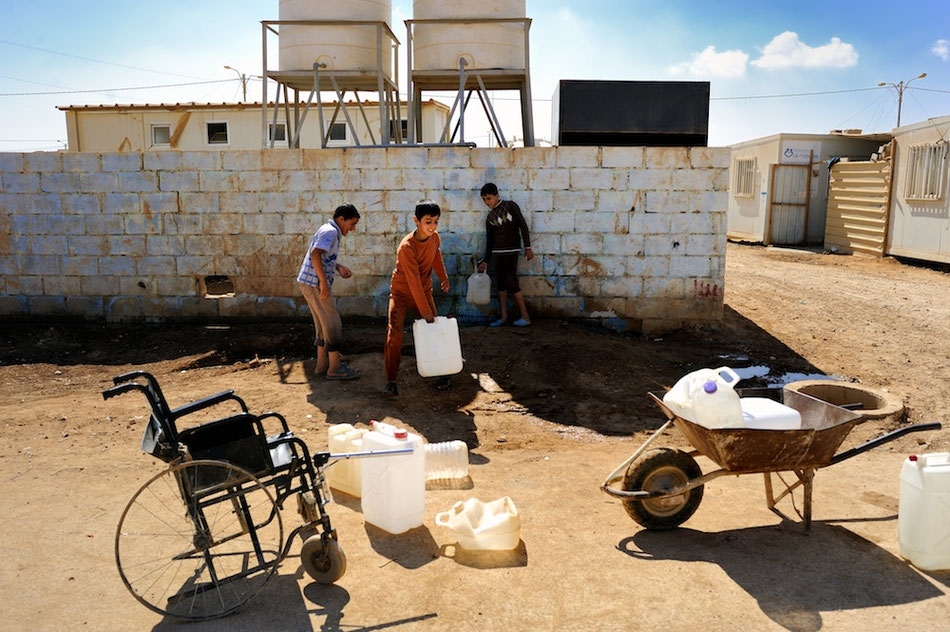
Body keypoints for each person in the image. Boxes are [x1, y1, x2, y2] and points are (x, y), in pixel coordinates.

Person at [382, 200, 451, 396]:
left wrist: (443, 277)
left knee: (434, 330)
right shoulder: (406, 247)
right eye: (428, 222)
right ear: (416, 221)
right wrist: (426, 314)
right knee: (394, 333)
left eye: (436, 221)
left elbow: (436, 255)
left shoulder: (434, 237)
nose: (432, 226)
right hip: (402, 293)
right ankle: (391, 381)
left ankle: (442, 372)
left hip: (424, 290)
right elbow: (413, 283)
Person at [297, 203, 360, 381]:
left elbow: (322, 255)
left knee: (322, 323)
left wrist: (338, 267)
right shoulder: (330, 232)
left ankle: (322, 365)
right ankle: (334, 368)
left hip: (309, 282)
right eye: (352, 223)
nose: (353, 228)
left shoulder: (329, 230)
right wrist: (323, 281)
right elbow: (315, 254)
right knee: (332, 323)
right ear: (341, 219)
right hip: (315, 283)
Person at [477, 182, 533, 327]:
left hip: (511, 251)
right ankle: (503, 317)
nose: (487, 202)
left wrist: (528, 247)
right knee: (501, 285)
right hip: (497, 253)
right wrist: (486, 261)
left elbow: (523, 226)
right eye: (484, 200)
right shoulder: (490, 218)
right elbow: (490, 242)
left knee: (512, 282)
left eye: (489, 198)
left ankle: (525, 317)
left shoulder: (510, 206)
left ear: (497, 196)